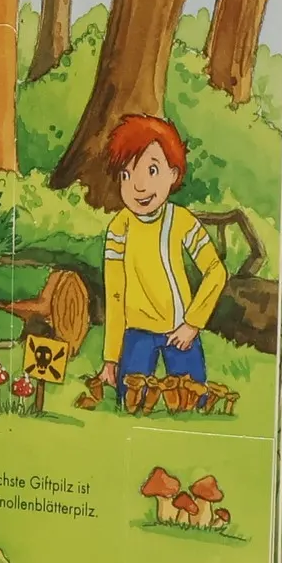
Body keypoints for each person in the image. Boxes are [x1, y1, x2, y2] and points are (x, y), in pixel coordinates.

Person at [98, 114, 226, 400]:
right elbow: (115, 294)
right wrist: (110, 358)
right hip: (136, 333)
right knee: (129, 402)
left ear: (173, 174)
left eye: (152, 170)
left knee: (193, 402)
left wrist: (192, 324)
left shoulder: (181, 221)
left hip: (179, 331)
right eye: (126, 174)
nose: (139, 186)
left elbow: (216, 271)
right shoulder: (119, 228)